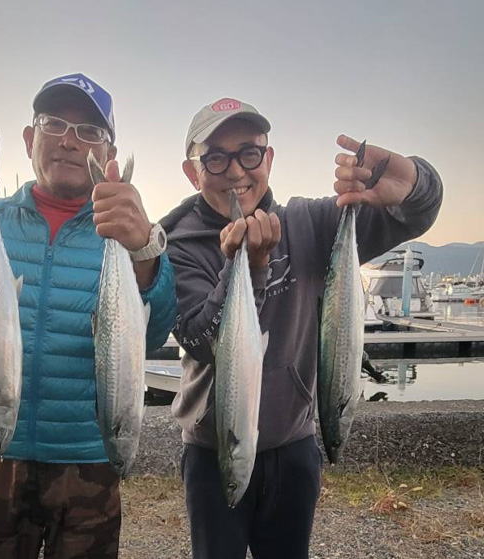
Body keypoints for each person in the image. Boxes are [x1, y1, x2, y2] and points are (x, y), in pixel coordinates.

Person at [0, 73, 176, 559]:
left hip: (89, 463)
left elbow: (153, 336)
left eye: (89, 131)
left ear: (108, 153)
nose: (69, 140)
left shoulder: (127, 233)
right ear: (29, 139)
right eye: (54, 124)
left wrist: (145, 249)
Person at [161, 97, 442, 559]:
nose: (236, 171)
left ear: (268, 158)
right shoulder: (179, 246)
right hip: (215, 451)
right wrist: (249, 269)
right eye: (215, 158)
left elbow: (414, 214)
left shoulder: (312, 222)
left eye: (249, 153)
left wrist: (413, 182)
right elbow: (201, 340)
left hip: (294, 446)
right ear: (193, 172)